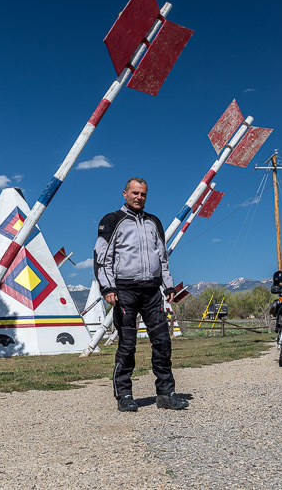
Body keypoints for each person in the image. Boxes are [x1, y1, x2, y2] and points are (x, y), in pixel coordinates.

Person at [94, 177, 189, 412]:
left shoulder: (154, 222)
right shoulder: (112, 221)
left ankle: (166, 394)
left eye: (143, 194)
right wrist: (108, 288)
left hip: (152, 292)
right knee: (127, 345)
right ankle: (124, 395)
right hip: (124, 291)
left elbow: (163, 259)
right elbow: (101, 259)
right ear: (124, 193)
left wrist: (169, 287)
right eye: (135, 193)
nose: (139, 197)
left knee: (163, 342)